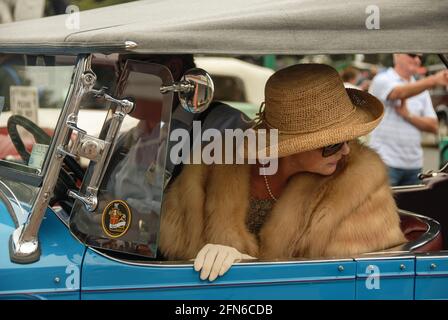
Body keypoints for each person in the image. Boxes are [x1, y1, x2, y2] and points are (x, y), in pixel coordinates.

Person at [159, 63, 407, 282]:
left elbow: (351, 278)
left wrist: (245, 265)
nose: (345, 151)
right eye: (332, 143)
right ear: (292, 145)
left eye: (350, 139)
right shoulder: (211, 167)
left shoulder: (357, 181)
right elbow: (169, 259)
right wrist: (207, 259)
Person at [369, 54, 448, 186]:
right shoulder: (382, 79)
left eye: (419, 57)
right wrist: (433, 80)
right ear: (397, 55)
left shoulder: (420, 88)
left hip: (414, 165)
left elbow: (434, 126)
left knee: (412, 206)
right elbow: (397, 93)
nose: (417, 60)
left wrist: (408, 115)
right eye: (412, 54)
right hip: (385, 162)